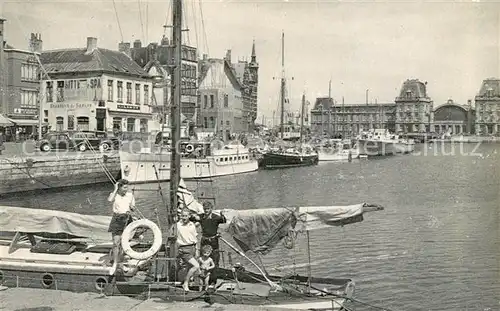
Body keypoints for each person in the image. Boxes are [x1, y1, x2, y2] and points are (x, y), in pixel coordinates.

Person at [107, 179, 136, 267]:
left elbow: (133, 208)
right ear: (119, 187)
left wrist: (132, 207)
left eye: (127, 187)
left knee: (125, 240)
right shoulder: (115, 195)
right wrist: (115, 189)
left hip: (127, 218)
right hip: (117, 218)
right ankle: (115, 262)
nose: (126, 189)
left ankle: (122, 259)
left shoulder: (130, 195)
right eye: (124, 187)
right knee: (116, 242)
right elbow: (109, 200)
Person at [176, 208, 200, 292]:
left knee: (189, 267)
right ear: (180, 216)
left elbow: (195, 238)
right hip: (184, 249)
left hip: (192, 247)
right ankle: (185, 283)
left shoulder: (192, 225)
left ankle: (187, 283)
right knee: (196, 266)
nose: (184, 217)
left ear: (189, 216)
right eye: (182, 216)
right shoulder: (177, 225)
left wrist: (196, 249)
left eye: (186, 216)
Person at [199, 201, 226, 268]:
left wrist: (222, 215)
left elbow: (224, 220)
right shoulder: (201, 217)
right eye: (205, 209)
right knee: (203, 258)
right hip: (204, 240)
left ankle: (214, 275)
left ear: (211, 209)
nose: (206, 210)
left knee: (215, 257)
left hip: (213, 240)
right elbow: (192, 218)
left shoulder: (215, 217)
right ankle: (203, 275)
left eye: (208, 209)